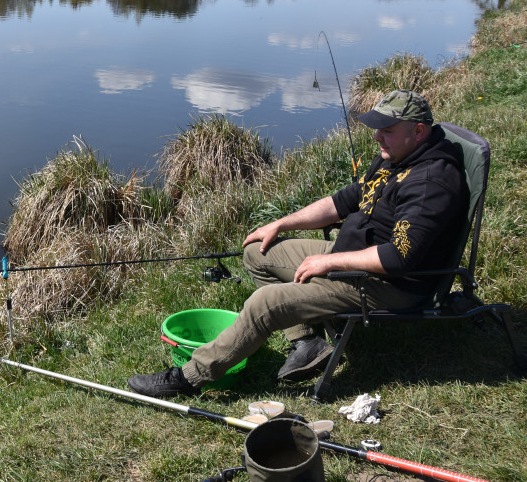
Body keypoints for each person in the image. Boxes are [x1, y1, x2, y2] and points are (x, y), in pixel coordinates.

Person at [128, 89, 469, 398]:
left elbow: (399, 257)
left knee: (264, 303)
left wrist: (329, 262)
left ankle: (188, 378)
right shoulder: (397, 155)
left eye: (387, 130)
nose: (377, 136)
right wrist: (281, 223)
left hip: (389, 284)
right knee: (258, 252)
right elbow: (344, 200)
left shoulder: (430, 182)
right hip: (354, 253)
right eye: (377, 128)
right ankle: (307, 342)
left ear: (418, 132)